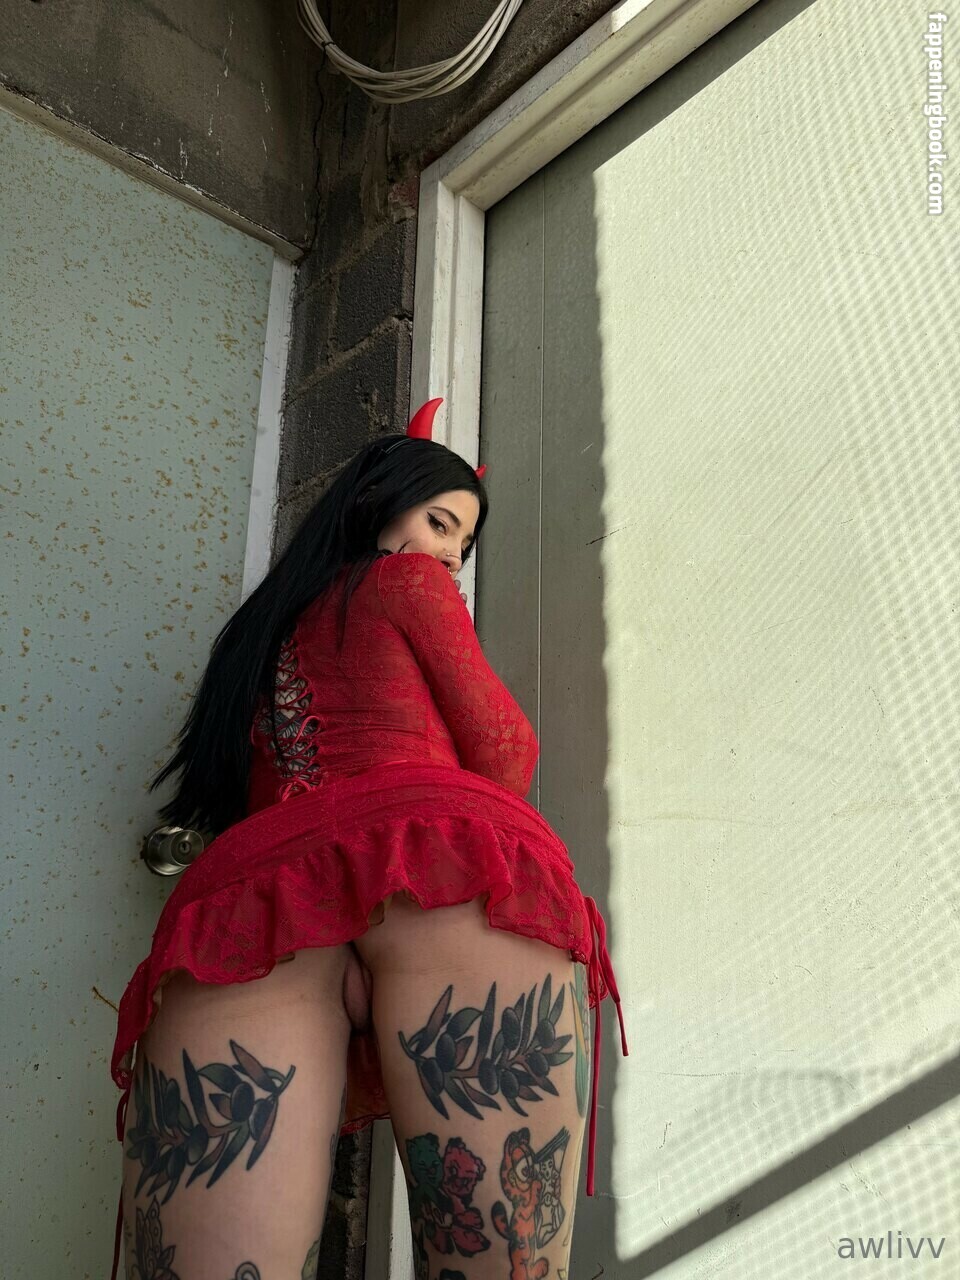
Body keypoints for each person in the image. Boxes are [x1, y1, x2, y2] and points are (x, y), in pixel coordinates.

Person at [108, 397, 627, 1280]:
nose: (449, 558)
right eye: (439, 525)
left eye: (462, 545)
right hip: (428, 871)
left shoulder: (257, 638)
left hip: (258, 905)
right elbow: (507, 752)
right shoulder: (405, 584)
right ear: (375, 506)